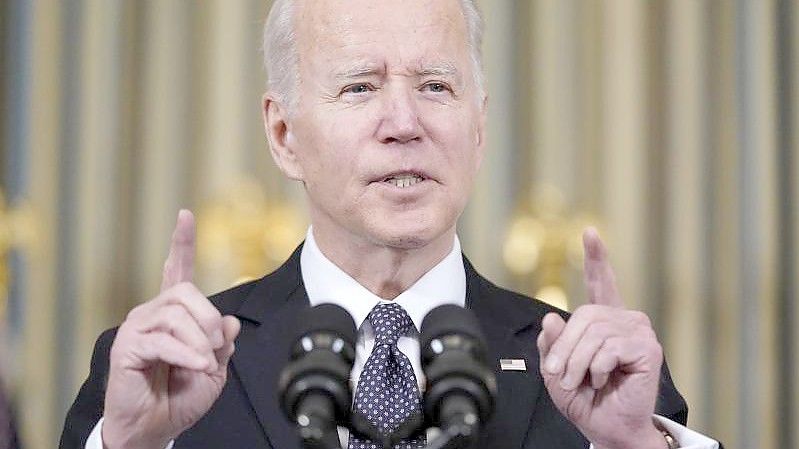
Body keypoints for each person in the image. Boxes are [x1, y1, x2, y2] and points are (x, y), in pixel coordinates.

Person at [60, 1, 721, 448]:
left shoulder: (594, 372)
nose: (404, 124)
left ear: (479, 125)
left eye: (435, 86)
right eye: (359, 87)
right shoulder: (162, 372)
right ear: (284, 133)